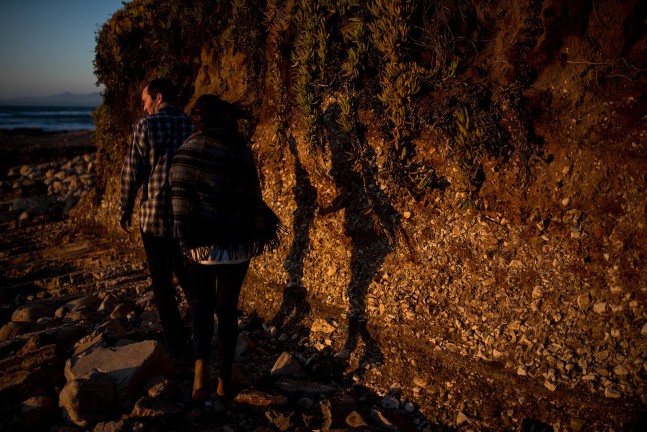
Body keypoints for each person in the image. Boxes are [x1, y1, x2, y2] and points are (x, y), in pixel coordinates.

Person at [170, 94, 281, 402]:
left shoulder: (185, 151)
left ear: (198, 120)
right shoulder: (240, 151)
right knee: (227, 309)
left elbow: (179, 203)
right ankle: (223, 381)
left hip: (199, 246)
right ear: (225, 118)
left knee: (202, 308)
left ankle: (198, 379)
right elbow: (251, 198)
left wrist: (185, 240)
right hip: (236, 244)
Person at [119, 78, 194, 357]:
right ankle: (204, 336)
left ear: (158, 97)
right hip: (186, 218)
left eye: (145, 100)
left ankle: (177, 344)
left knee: (162, 285)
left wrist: (124, 210)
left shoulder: (145, 126)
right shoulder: (192, 125)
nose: (144, 106)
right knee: (188, 278)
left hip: (153, 218)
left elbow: (131, 174)